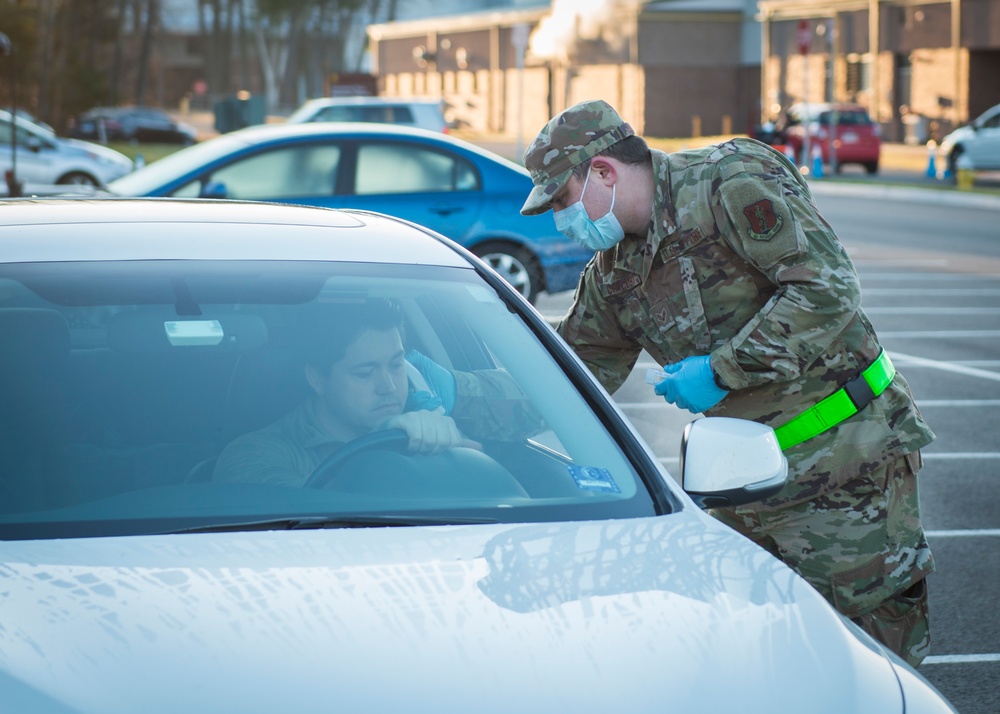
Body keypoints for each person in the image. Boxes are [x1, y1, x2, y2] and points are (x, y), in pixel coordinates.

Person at [519, 99, 936, 667]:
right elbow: (571, 371)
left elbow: (828, 290)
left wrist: (722, 372)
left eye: (563, 201)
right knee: (770, 667)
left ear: (603, 171)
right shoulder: (615, 269)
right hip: (743, 487)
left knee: (871, 667)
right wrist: (459, 396)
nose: (561, 219)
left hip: (848, 465)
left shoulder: (727, 183)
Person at [213, 298, 541, 487]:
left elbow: (553, 405)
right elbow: (309, 526)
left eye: (396, 365)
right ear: (317, 379)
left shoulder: (432, 409)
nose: (388, 386)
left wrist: (457, 397)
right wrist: (377, 449)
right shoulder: (255, 455)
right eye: (366, 372)